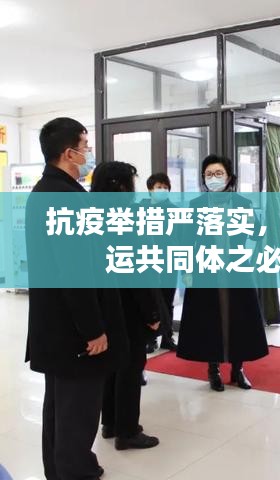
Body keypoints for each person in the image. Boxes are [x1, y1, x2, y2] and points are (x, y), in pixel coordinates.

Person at [25, 118, 129, 479]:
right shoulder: (66, 198)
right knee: (78, 412)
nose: (89, 153)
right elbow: (74, 272)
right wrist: (93, 329)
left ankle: (62, 469)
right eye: (86, 145)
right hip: (74, 332)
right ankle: (73, 471)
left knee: (59, 408)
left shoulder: (46, 191)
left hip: (55, 327)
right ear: (69, 153)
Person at [176, 154, 269, 391]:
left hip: (237, 270)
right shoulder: (196, 205)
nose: (213, 178)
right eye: (209, 174)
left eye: (218, 174)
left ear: (229, 177)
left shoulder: (242, 203)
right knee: (209, 321)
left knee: (240, 319)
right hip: (206, 270)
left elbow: (257, 234)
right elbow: (186, 241)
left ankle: (238, 369)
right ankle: (213, 369)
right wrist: (186, 270)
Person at [90, 161, 164, 450]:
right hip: (129, 307)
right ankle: (128, 431)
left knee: (111, 366)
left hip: (104, 306)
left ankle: (109, 422)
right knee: (131, 367)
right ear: (121, 186)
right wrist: (152, 313)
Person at [143, 172, 177, 353]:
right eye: (158, 187)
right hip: (147, 261)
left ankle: (167, 337)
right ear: (150, 189)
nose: (162, 190)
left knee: (167, 301)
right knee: (150, 300)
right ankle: (150, 339)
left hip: (169, 261)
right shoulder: (140, 209)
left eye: (165, 187)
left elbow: (180, 238)